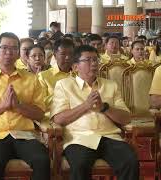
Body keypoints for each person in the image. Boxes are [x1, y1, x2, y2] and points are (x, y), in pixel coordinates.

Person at [0, 32, 50, 180]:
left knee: (42, 160)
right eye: (4, 48)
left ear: (18, 53)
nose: (8, 52)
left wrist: (18, 106)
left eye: (13, 48)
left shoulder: (31, 79)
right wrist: (2, 106)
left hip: (25, 135)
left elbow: (39, 113)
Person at [50, 45, 139, 180]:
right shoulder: (64, 85)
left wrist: (104, 108)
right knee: (80, 165)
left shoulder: (110, 85)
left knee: (130, 162)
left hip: (110, 137)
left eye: (96, 60)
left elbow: (126, 118)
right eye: (88, 60)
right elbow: (58, 119)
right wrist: (86, 105)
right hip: (78, 139)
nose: (94, 64)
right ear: (75, 67)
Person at [38, 38, 74, 120]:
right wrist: (64, 94)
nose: (67, 57)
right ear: (55, 55)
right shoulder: (44, 76)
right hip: (53, 118)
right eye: (63, 54)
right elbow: (41, 103)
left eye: (71, 54)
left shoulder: (79, 75)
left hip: (77, 116)